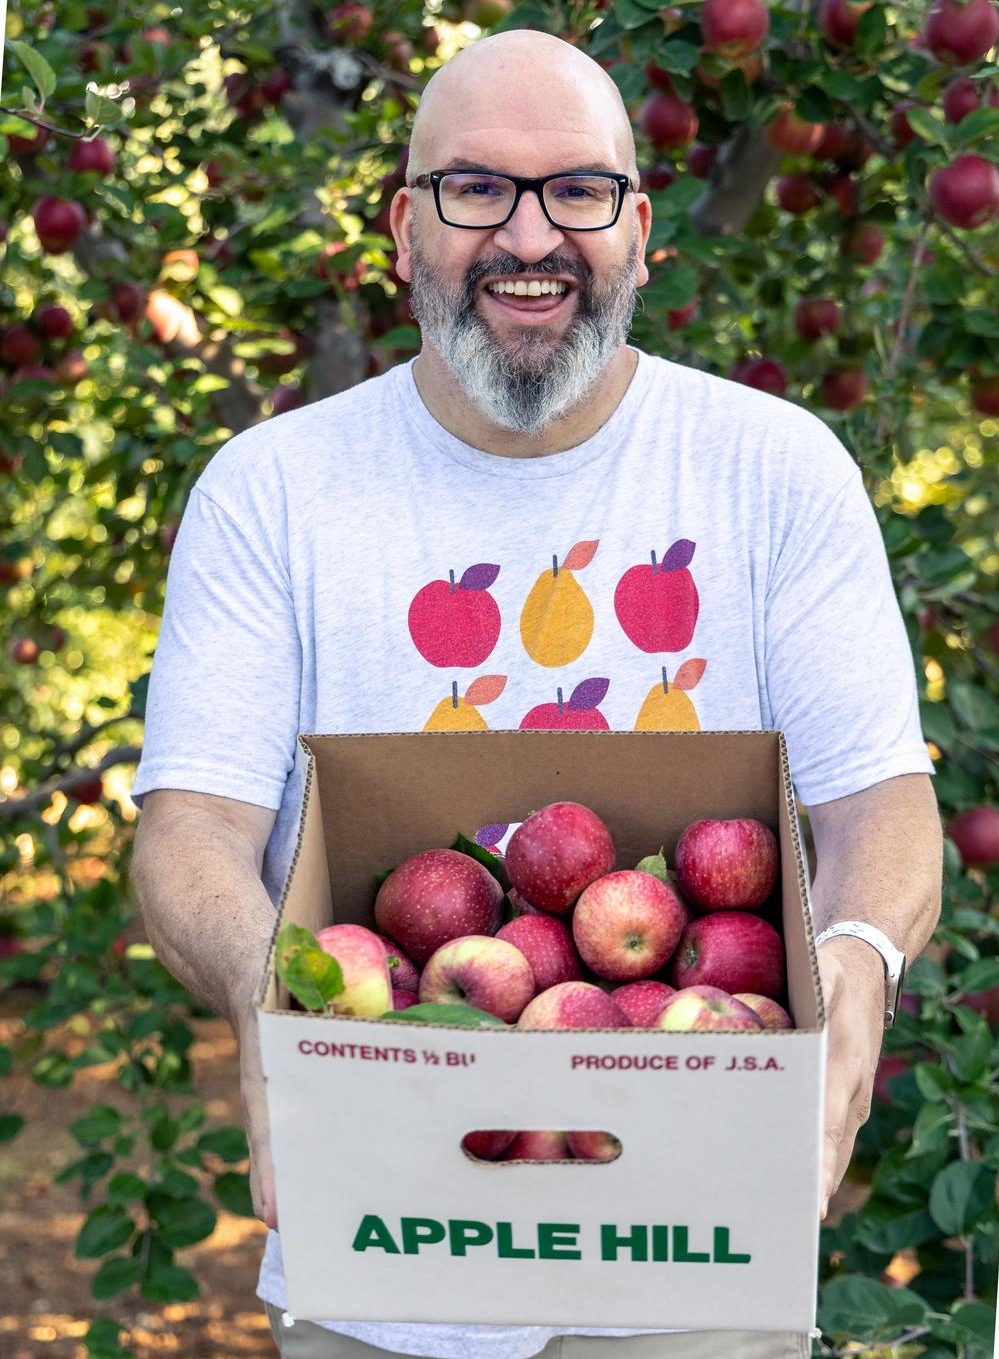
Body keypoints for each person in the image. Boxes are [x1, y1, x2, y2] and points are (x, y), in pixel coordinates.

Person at [131, 28, 943, 1359]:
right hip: (384, 1262)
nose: (529, 234)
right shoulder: (271, 495)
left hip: (694, 1255)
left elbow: (883, 805)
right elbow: (190, 833)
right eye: (475, 190)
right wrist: (267, 992)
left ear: (638, 232)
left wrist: (856, 961)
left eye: (577, 191)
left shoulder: (775, 473)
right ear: (404, 226)